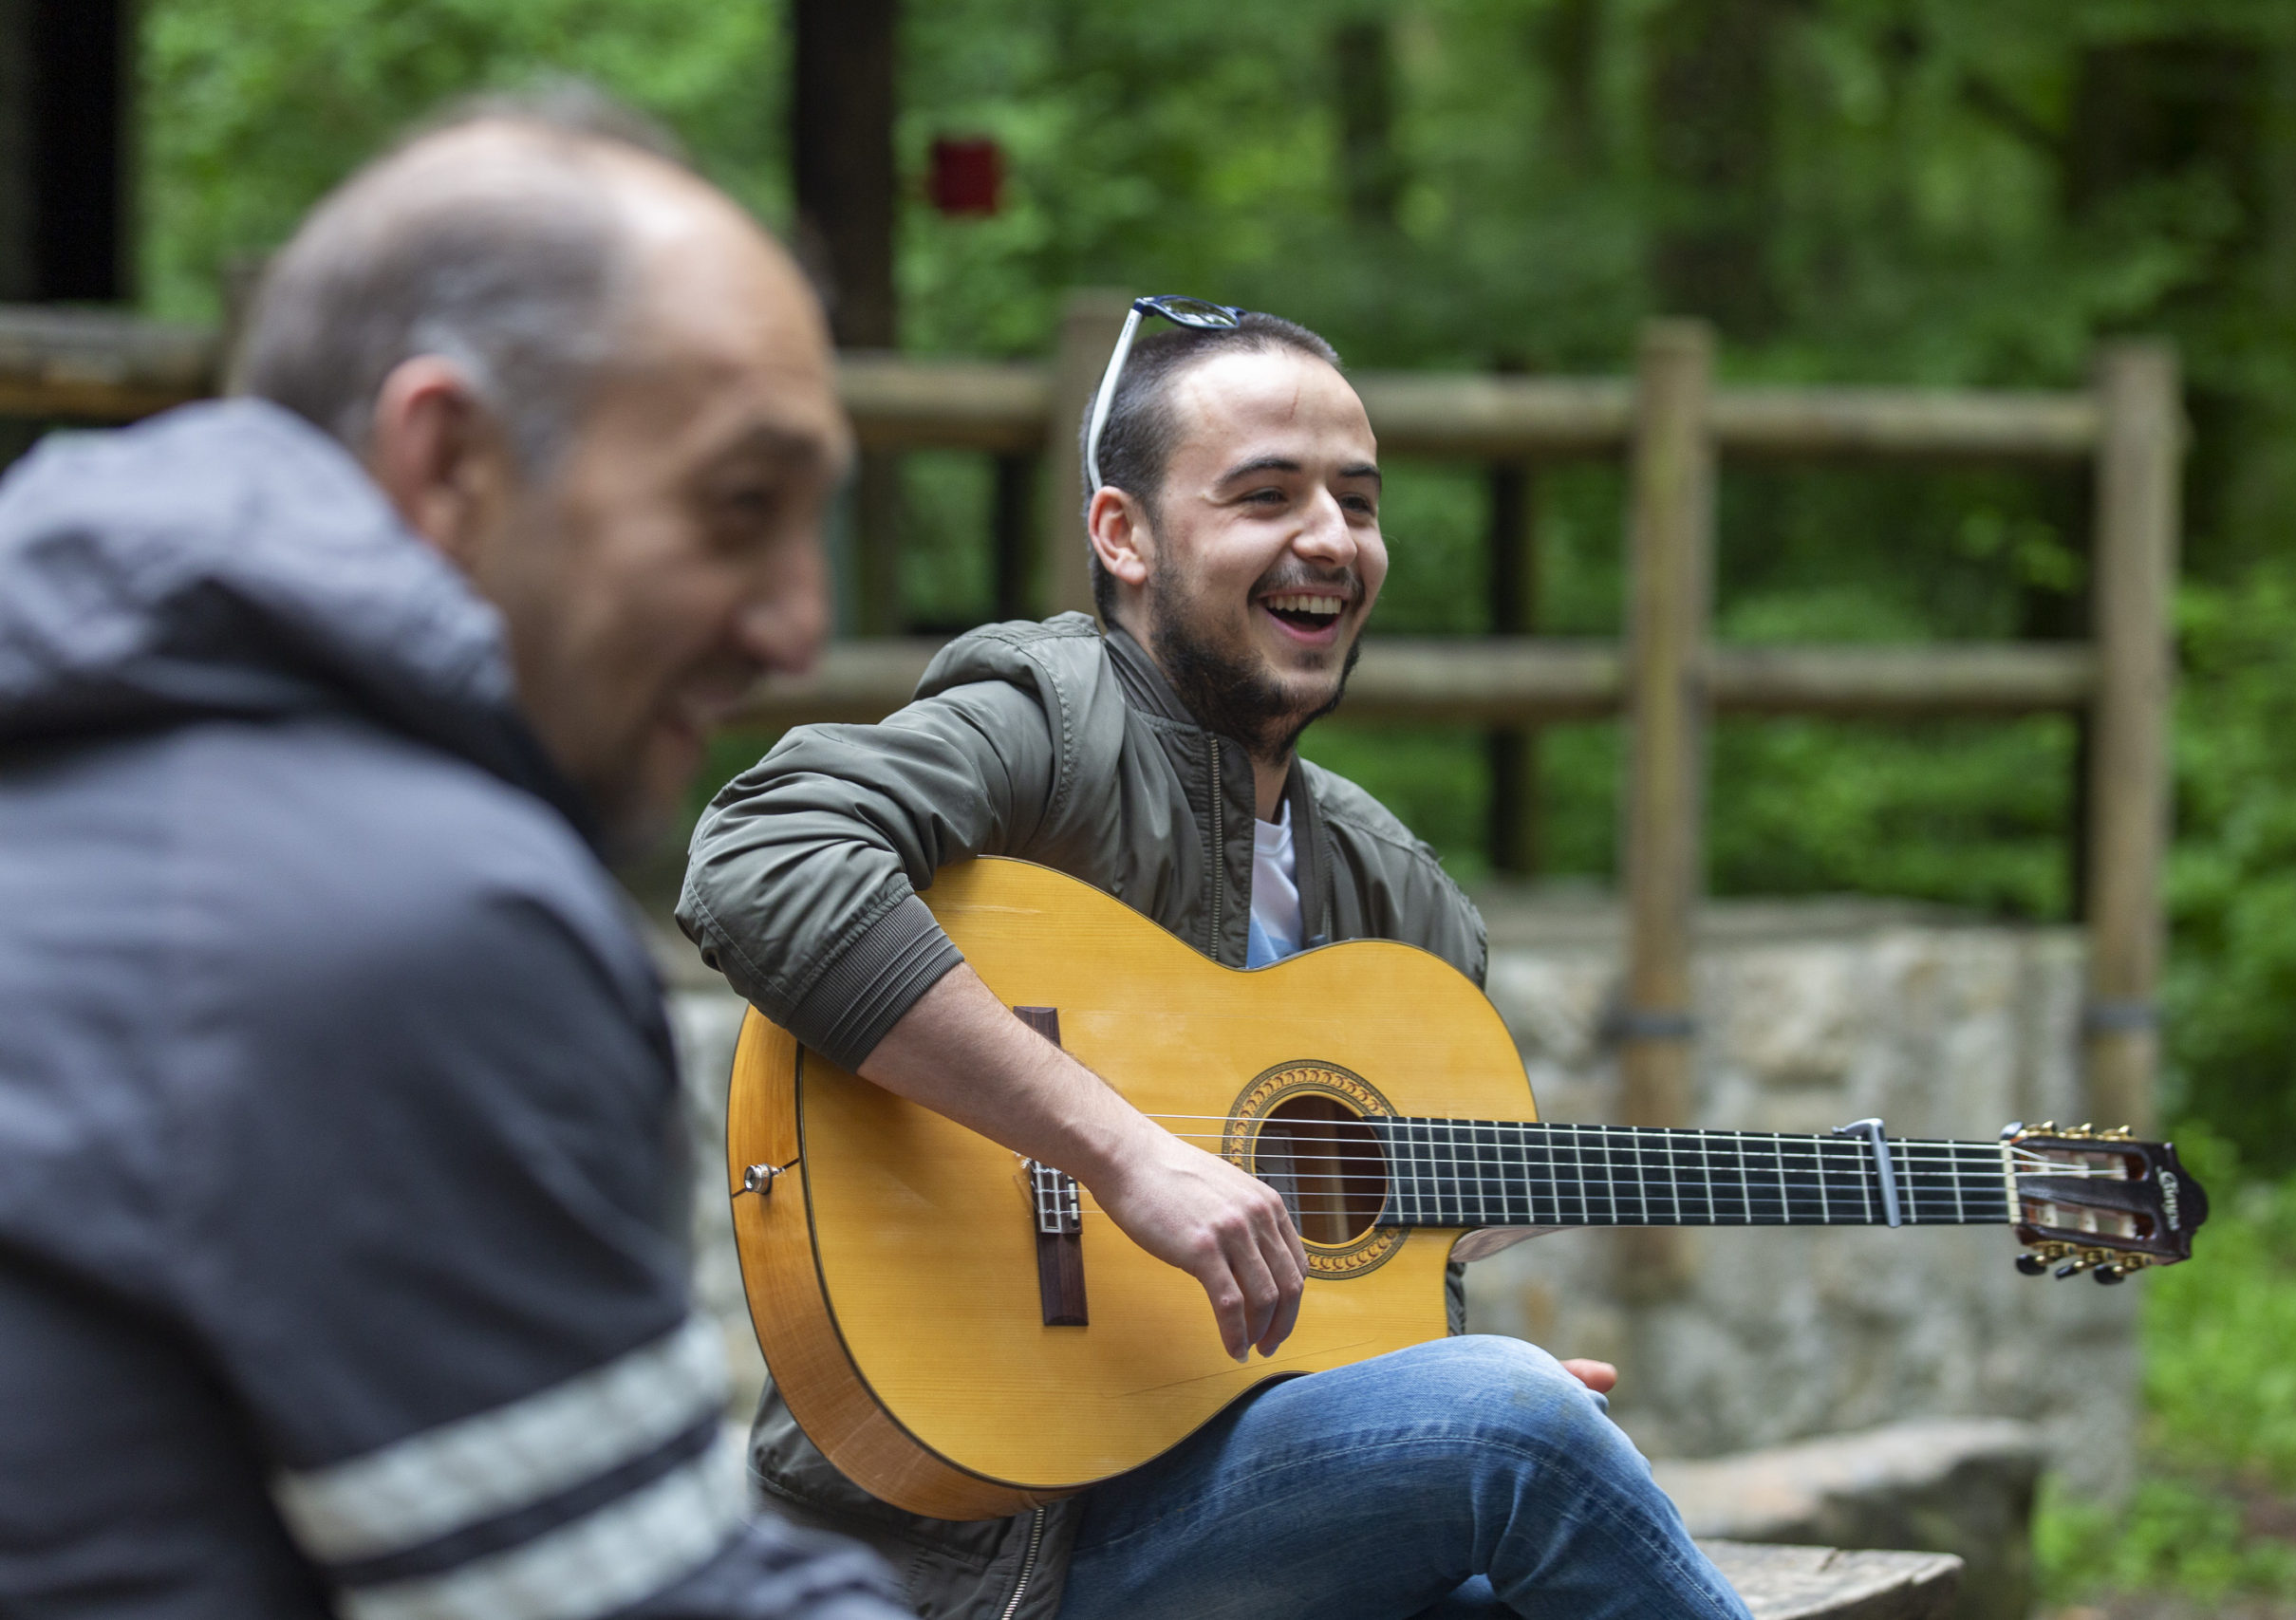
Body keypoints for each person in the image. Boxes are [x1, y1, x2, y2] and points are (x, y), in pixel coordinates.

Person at [681, 303, 1752, 1620]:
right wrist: (1123, 1155)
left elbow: (1349, 1317)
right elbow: (762, 852)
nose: (1328, 540)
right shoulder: (1049, 726)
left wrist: (1425, 1395)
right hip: (988, 1553)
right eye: (1266, 496)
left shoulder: (1400, 900)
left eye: (1358, 502)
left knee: (1527, 1493)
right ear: (1123, 535)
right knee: (1515, 1425)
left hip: (1230, 1517)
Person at [0, 95, 909, 1620]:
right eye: (738, 506)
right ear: (447, 462)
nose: (794, 629)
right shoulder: (408, 916)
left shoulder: (102, 780)